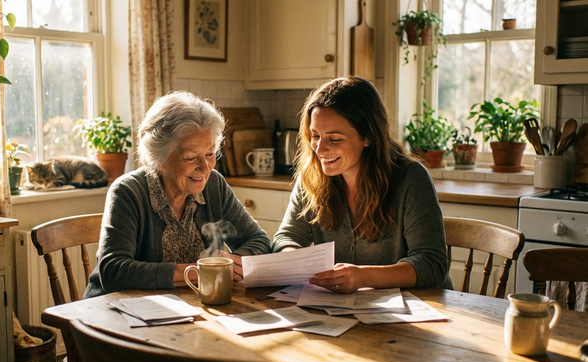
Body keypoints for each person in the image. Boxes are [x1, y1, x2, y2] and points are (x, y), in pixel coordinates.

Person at [272, 77, 453, 294]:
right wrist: (292, 259)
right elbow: (287, 236)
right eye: (315, 136)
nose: (320, 150)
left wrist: (363, 276)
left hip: (419, 308)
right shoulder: (312, 176)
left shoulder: (411, 178)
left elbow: (432, 264)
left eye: (335, 139)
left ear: (367, 136)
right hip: (347, 310)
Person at [83, 91, 270, 297]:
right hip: (118, 313)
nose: (205, 167)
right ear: (159, 157)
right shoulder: (128, 192)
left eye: (210, 153)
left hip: (188, 309)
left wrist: (234, 263)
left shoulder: (214, 184)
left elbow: (258, 240)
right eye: (191, 157)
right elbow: (113, 271)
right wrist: (192, 272)